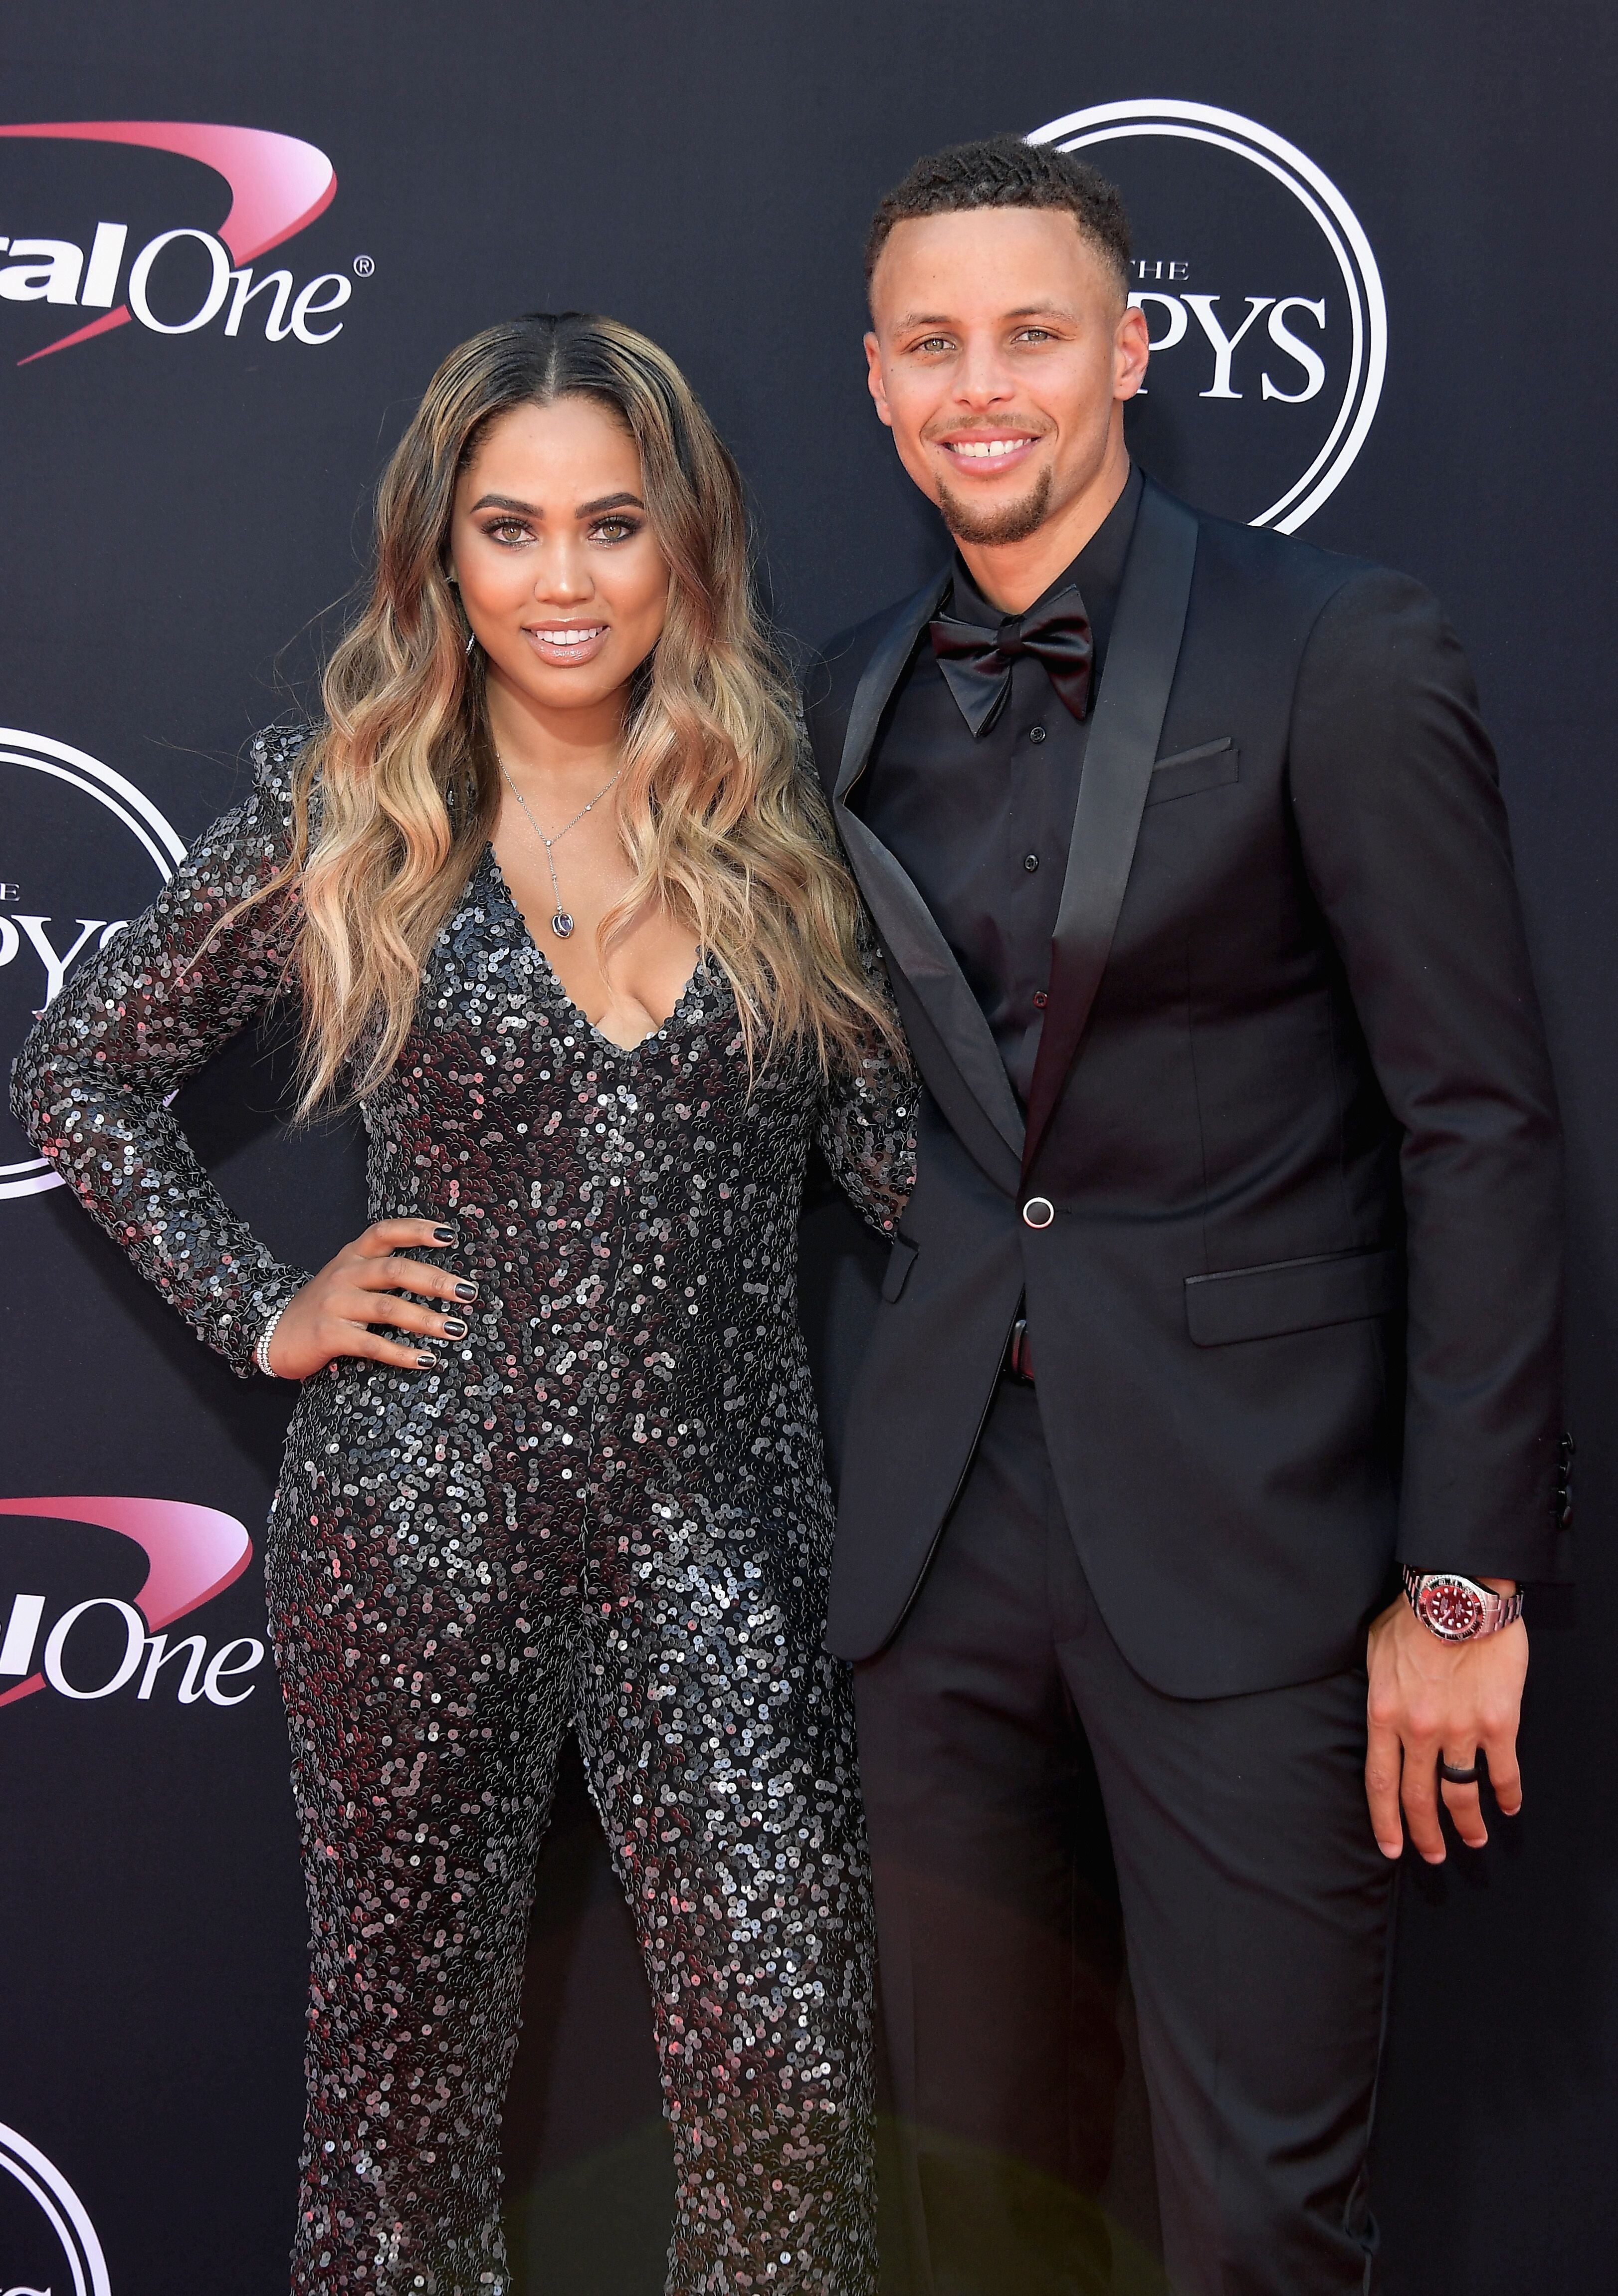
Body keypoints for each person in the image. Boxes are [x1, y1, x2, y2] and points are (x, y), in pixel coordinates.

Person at [14, 311, 913, 2296]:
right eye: (511, 531)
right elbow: (77, 1070)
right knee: (395, 2131)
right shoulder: (360, 810)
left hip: (725, 1536)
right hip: (411, 1528)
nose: (565, 582)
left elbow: (912, 1185)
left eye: (613, 526)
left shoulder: (794, 835)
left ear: (686, 544)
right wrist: (261, 1303)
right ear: (441, 557)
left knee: (791, 2126)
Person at [803, 137, 1565, 2296]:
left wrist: (1461, 1576)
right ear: (874, 381)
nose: (983, 383)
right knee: (973, 2203)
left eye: (1030, 333)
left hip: (1258, 1538)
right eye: (932, 342)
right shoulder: (825, 699)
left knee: (1260, 2214)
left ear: (1128, 351)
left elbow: (1479, 1125)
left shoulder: (1336, 646)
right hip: (931, 1545)